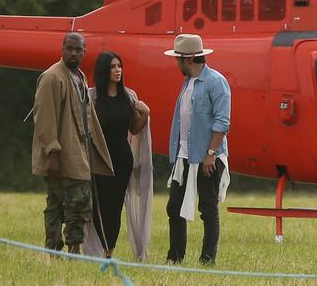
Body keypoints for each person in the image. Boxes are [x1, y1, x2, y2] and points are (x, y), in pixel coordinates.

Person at [31, 32, 113, 255]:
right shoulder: (52, 77)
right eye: (70, 48)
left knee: (67, 204)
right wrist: (52, 152)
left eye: (79, 49)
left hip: (78, 152)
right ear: (62, 49)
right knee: (74, 203)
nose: (74, 53)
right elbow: (44, 118)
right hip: (61, 154)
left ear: (85, 52)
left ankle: (68, 251)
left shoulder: (79, 77)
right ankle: (61, 250)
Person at [163, 34, 231, 266]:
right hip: (184, 156)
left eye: (178, 59)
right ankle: (175, 257)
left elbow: (222, 121)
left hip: (207, 157)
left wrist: (211, 154)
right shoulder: (187, 83)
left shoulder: (216, 81)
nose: (176, 63)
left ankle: (207, 259)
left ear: (189, 58)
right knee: (174, 207)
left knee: (208, 209)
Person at [84, 51, 152, 259]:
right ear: (104, 70)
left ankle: (108, 252)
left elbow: (133, 129)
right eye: (113, 67)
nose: (118, 70)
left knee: (114, 208)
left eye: (119, 66)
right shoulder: (92, 97)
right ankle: (93, 249)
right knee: (97, 207)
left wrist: (146, 113)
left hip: (122, 161)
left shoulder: (128, 96)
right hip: (99, 160)